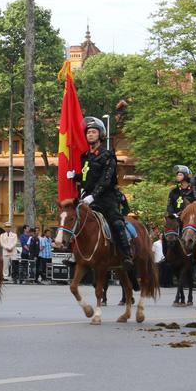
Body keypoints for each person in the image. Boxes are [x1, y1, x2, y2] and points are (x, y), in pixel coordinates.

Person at [67, 116, 137, 280]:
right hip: (87, 197)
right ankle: (75, 255)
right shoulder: (85, 156)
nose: (90, 135)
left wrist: (93, 196)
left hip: (105, 197)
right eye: (88, 132)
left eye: (93, 132)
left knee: (116, 221)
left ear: (100, 134)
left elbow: (105, 180)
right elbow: (88, 177)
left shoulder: (107, 155)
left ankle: (127, 255)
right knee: (76, 220)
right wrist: (75, 176)